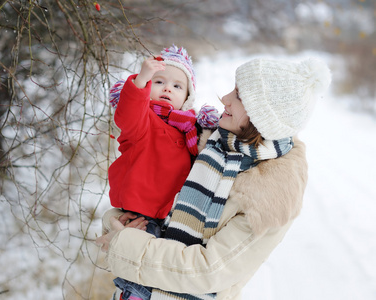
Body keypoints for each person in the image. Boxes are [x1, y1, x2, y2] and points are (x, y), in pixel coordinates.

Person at [97, 57, 332, 300]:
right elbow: (150, 190)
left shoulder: (273, 191)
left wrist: (124, 245)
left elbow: (208, 271)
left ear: (260, 115)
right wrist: (121, 222)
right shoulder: (209, 140)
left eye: (238, 96)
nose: (225, 99)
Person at [107, 45, 219, 299]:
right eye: (160, 81)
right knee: (139, 255)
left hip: (173, 214)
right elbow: (127, 114)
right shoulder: (142, 121)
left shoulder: (189, 130)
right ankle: (132, 294)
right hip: (144, 208)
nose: (168, 88)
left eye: (178, 86)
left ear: (187, 98)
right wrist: (141, 80)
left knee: (162, 265)